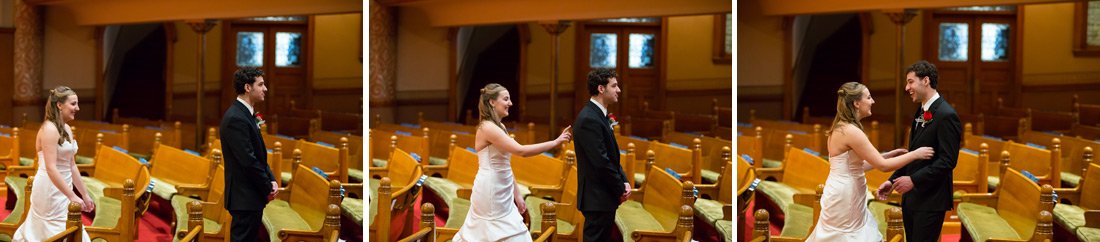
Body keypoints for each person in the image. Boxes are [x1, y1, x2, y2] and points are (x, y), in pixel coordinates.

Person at [805, 82, 935, 242]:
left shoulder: (841, 127)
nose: (873, 101)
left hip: (842, 189)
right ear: (856, 103)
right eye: (869, 97)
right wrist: (915, 154)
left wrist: (889, 154)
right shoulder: (851, 131)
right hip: (847, 194)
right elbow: (883, 166)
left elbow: (859, 166)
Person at [452, 83, 572, 242]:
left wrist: (517, 194)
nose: (510, 103)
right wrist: (555, 143)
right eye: (506, 99)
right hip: (491, 190)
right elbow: (521, 151)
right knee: (491, 233)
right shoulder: (487, 127)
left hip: (503, 188)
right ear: (492, 102)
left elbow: (504, 164)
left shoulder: (499, 126)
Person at [877, 61, 962, 242]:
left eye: (910, 82)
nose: (907, 87)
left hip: (931, 200)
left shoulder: (946, 115)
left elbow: (948, 161)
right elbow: (913, 155)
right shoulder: (921, 111)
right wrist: (891, 181)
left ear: (925, 81)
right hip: (912, 198)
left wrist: (913, 180)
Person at [13, 86, 94, 242]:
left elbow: (72, 165)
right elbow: (51, 168)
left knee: (69, 229)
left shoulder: (68, 129)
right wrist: (72, 196)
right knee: (52, 231)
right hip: (49, 189)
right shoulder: (49, 129)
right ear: (59, 105)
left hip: (64, 186)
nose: (77, 108)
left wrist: (84, 194)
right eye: (73, 104)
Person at [220, 67, 278, 242]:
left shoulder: (247, 114)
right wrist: (266, 187)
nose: (265, 88)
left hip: (249, 195)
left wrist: (272, 179)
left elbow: (258, 154)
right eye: (260, 84)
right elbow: (248, 160)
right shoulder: (236, 118)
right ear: (247, 87)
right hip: (244, 196)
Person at [573, 68, 631, 242]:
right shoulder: (589, 119)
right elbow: (601, 161)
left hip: (602, 196)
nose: (618, 90)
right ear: (601, 88)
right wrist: (619, 188)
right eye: (614, 86)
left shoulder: (599, 115)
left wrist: (624, 180)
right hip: (597, 197)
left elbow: (611, 156)